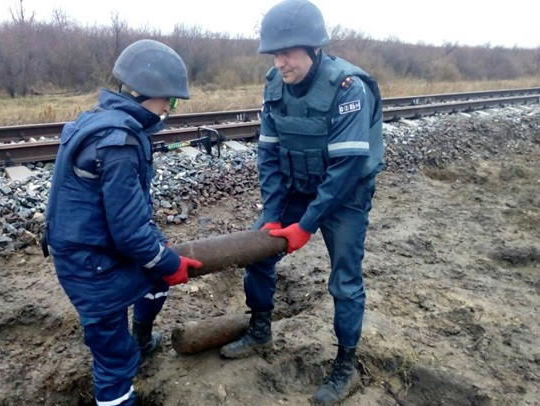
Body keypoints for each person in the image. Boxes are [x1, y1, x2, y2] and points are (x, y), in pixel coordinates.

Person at [219, 0, 384, 404]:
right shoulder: (274, 85)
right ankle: (260, 329)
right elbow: (269, 155)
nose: (280, 63)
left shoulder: (349, 88)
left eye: (288, 53)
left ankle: (345, 366)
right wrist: (275, 214)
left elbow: (346, 168)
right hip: (297, 185)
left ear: (313, 48)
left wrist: (305, 226)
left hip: (345, 195)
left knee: (344, 282)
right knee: (259, 251)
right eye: (274, 54)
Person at [44, 39, 202, 406]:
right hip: (91, 264)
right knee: (114, 358)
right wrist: (171, 262)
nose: (169, 108)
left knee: (157, 274)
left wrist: (162, 263)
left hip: (95, 246)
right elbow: (130, 233)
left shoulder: (101, 120)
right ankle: (117, 395)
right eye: (170, 100)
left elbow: (128, 223)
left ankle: (143, 339)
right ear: (149, 93)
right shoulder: (120, 143)